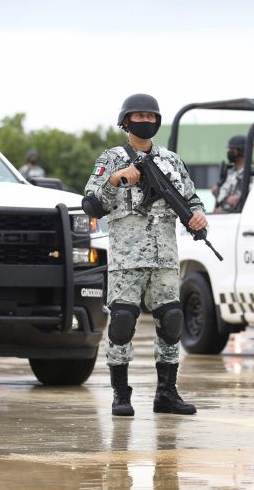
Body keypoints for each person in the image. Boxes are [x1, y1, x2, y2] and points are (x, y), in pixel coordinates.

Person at [84, 93, 207, 417]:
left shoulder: (172, 161)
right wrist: (115, 180)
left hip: (165, 258)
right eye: (138, 116)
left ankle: (166, 393)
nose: (145, 121)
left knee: (171, 321)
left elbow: (192, 199)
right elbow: (92, 205)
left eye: (150, 116)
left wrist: (198, 216)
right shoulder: (111, 158)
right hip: (126, 259)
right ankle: (121, 395)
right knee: (122, 322)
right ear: (126, 122)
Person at [213, 135, 247, 213]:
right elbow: (223, 195)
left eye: (232, 149)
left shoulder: (251, 173)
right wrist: (217, 192)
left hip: (237, 215)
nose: (229, 152)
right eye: (229, 149)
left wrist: (233, 200)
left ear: (241, 150)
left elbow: (238, 200)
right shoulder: (229, 172)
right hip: (223, 215)